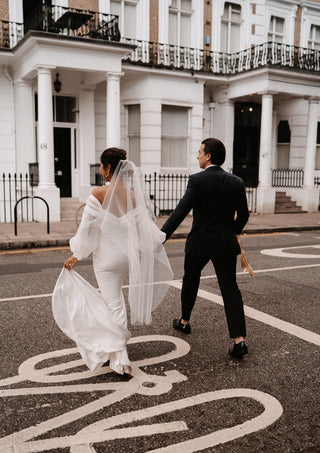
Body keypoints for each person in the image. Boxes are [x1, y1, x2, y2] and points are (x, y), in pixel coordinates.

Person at [52, 148, 173, 376]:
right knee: (115, 303)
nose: (100, 170)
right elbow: (143, 230)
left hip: (106, 260)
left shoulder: (98, 194)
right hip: (127, 258)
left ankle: (121, 360)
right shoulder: (133, 197)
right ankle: (114, 352)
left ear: (108, 168)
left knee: (114, 304)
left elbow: (87, 229)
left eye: (101, 165)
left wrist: (77, 253)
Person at [161, 138, 250, 359]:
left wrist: (161, 236)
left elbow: (181, 211)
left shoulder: (197, 180)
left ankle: (185, 321)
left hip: (199, 242)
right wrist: (232, 232)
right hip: (225, 243)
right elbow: (244, 215)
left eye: (200, 152)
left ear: (208, 156)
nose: (197, 156)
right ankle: (239, 341)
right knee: (230, 289)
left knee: (191, 280)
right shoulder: (236, 181)